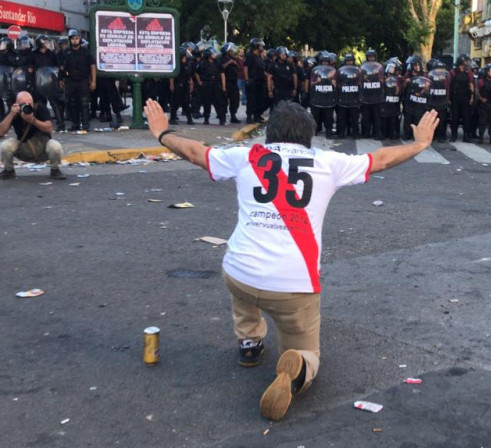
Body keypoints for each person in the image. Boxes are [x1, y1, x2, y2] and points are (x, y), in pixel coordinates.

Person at [142, 98, 439, 421]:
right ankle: (297, 369)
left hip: (239, 273)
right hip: (293, 286)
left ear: (269, 134)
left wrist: (162, 133)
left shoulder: (245, 157)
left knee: (244, 285)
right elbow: (380, 159)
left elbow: (195, 152)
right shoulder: (328, 163)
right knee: (307, 350)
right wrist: (419, 144)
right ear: (309, 136)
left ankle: (249, 343)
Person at [0, 91, 65, 180]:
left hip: (43, 147)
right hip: (23, 147)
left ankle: (55, 170)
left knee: (55, 146)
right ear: (17, 104)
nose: (26, 107)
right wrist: (11, 115)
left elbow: (49, 128)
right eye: (23, 104)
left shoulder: (40, 109)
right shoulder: (14, 112)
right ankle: (8, 170)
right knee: (5, 145)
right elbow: (1, 132)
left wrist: (33, 120)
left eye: (29, 104)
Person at [60, 29, 96, 132]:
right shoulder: (67, 52)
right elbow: (62, 67)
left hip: (83, 81)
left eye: (76, 38)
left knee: (84, 103)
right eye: (73, 39)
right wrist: (60, 79)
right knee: (72, 103)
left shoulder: (85, 52)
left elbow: (92, 66)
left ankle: (85, 125)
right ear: (70, 40)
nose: (75, 40)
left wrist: (93, 81)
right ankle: (75, 124)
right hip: (70, 81)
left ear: (80, 39)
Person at [448, 55, 473, 142]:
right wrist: (448, 98)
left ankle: (466, 136)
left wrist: (472, 97)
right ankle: (453, 136)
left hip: (466, 97)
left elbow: (471, 84)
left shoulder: (468, 72)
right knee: (455, 117)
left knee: (467, 118)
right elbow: (448, 85)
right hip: (455, 98)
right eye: (465, 61)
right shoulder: (452, 72)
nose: (467, 63)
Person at [244, 39, 267, 124]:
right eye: (260, 46)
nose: (262, 48)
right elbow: (245, 67)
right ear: (256, 46)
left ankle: (257, 116)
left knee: (260, 100)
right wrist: (247, 79)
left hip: (260, 82)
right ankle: (249, 117)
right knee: (251, 100)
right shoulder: (250, 56)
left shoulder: (259, 57)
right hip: (253, 81)